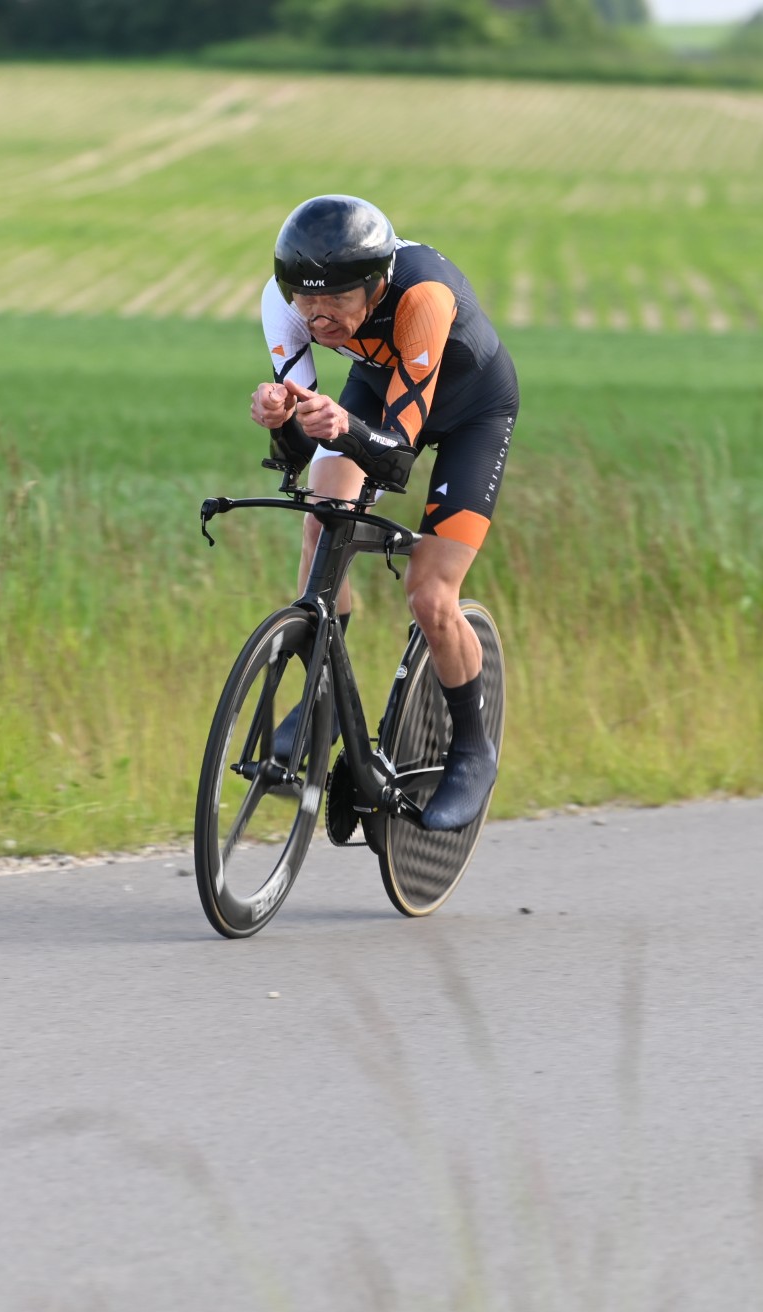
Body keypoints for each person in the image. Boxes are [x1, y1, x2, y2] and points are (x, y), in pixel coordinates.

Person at [249, 195, 517, 834]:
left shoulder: (422, 298)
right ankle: (321, 698)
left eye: (338, 299)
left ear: (375, 286)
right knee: (322, 518)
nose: (319, 315)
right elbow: (297, 453)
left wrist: (341, 426)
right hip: (378, 389)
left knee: (429, 594)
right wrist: (281, 420)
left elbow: (395, 459)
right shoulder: (282, 305)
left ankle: (473, 749)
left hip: (470, 414)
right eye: (305, 299)